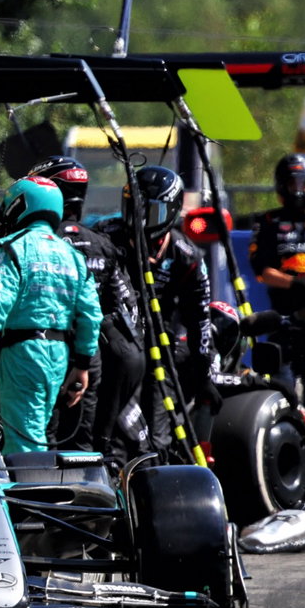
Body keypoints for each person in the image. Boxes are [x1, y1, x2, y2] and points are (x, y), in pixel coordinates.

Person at [0, 177, 101, 454]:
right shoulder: (71, 255)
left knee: (22, 439)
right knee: (38, 428)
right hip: (59, 355)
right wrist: (82, 365)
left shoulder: (13, 247)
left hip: (23, 353)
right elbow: (91, 315)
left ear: (20, 206)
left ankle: (29, 495)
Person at [29, 156, 147, 459]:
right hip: (89, 354)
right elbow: (128, 308)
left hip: (47, 348)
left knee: (44, 435)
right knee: (84, 440)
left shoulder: (38, 243)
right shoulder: (102, 243)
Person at [100, 166, 220, 460]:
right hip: (113, 348)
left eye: (149, 213)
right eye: (133, 208)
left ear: (170, 212)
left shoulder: (187, 256)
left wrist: (205, 375)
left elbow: (200, 319)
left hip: (159, 348)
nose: (138, 220)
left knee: (157, 434)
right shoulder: (106, 237)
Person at [249, 153, 305, 427]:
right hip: (283, 318)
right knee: (282, 386)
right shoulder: (268, 223)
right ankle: (284, 438)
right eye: (293, 183)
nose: (300, 189)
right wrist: (296, 283)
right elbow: (262, 272)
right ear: (281, 185)